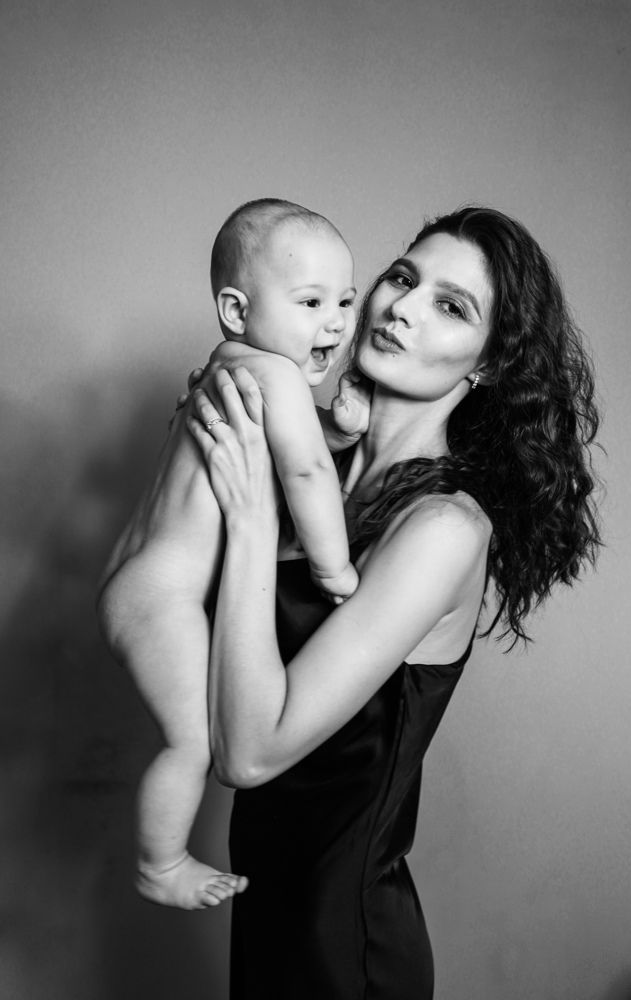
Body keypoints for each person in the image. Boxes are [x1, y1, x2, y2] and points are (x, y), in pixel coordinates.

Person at [184, 206, 601, 999]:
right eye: (403, 278)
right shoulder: (311, 473)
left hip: (343, 947)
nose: (403, 307)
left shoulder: (443, 527)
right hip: (267, 914)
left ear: (488, 363)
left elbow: (246, 753)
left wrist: (249, 519)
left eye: (450, 306)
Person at [97, 199, 367, 910]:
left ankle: (160, 860)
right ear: (237, 310)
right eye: (310, 302)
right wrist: (334, 566)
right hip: (164, 600)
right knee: (193, 744)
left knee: (189, 736)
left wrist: (336, 429)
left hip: (138, 581)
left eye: (345, 300)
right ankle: (159, 864)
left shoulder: (228, 369)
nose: (336, 323)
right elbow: (304, 471)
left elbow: (291, 441)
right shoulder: (276, 378)